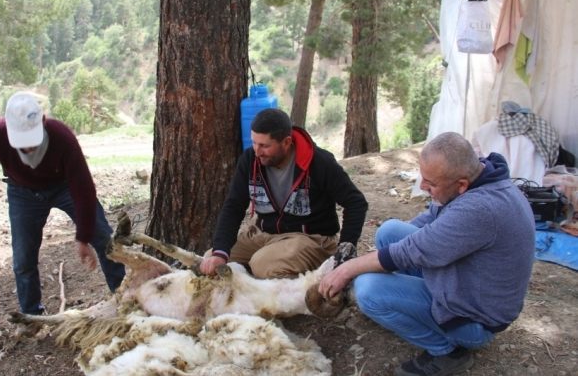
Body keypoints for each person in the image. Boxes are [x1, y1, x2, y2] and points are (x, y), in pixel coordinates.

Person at [319, 132, 535, 376]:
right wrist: (375, 259)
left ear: (461, 185)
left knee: (368, 290)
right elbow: (429, 222)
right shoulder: (480, 179)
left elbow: (412, 251)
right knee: (389, 232)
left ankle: (447, 352)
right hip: (467, 283)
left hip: (473, 319)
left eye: (430, 184)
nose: (422, 187)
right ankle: (403, 304)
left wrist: (346, 269)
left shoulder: (479, 209)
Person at [0, 92, 125, 315]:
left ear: (42, 122)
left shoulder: (61, 137)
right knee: (23, 257)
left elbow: (84, 190)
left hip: (63, 186)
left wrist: (82, 237)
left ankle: (125, 296)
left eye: (32, 141)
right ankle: (32, 315)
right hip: (22, 192)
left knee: (103, 236)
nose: (29, 149)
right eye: (22, 143)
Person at [199, 108, 368, 279]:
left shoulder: (319, 162)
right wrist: (220, 253)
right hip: (263, 234)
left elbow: (355, 202)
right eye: (254, 143)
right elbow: (233, 206)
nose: (257, 151)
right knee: (211, 260)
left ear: (286, 143)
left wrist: (346, 248)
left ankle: (306, 289)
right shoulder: (250, 160)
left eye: (264, 145)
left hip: (311, 238)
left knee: (262, 265)